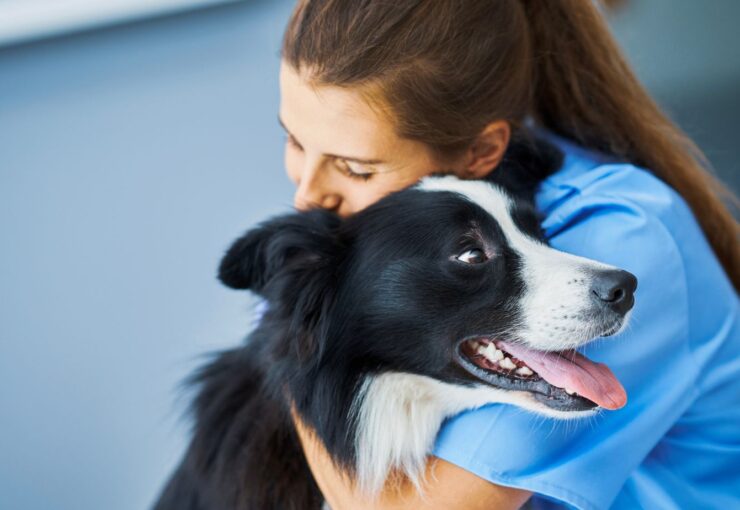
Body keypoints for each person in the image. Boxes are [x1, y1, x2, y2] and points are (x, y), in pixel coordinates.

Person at [270, 1, 740, 508]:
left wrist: (302, 336)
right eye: (295, 142)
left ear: (480, 153)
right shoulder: (399, 236)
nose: (307, 196)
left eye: (356, 168)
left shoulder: (621, 237)